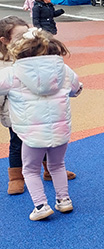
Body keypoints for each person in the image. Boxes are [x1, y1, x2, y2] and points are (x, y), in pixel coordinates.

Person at [0, 28, 82, 221]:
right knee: (57, 165)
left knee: (30, 169)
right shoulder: (64, 70)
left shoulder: (12, 73)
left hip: (31, 134)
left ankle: (41, 205)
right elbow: (76, 89)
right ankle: (64, 200)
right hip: (60, 131)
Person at [1, 16, 29, 195]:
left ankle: (51, 169)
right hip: (15, 113)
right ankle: (16, 176)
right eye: (20, 38)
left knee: (44, 141)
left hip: (36, 110)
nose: (26, 41)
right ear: (5, 41)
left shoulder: (33, 55)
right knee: (17, 144)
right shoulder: (3, 64)